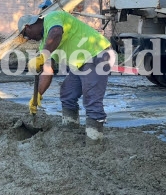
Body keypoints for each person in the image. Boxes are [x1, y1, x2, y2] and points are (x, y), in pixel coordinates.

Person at [18, 11, 116, 140]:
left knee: (91, 99)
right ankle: (70, 131)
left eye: (26, 35)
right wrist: (38, 94)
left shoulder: (52, 17)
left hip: (97, 54)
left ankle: (95, 140)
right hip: (80, 63)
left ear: (28, 26)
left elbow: (57, 32)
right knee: (67, 93)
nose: (28, 38)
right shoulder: (44, 44)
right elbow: (48, 71)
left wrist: (43, 55)